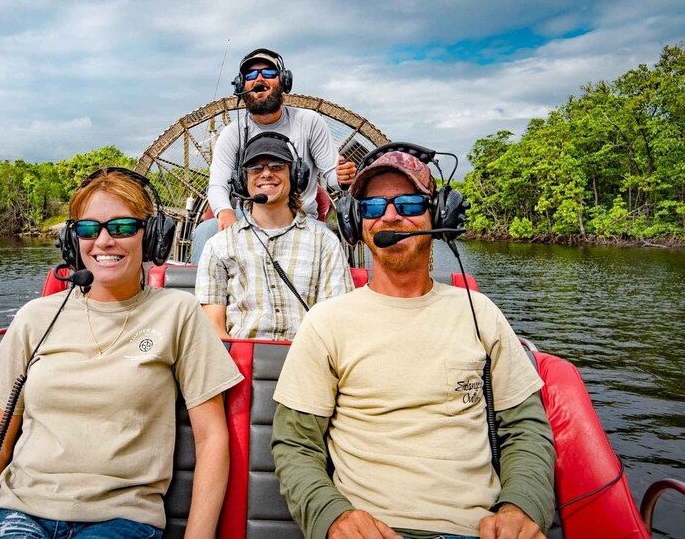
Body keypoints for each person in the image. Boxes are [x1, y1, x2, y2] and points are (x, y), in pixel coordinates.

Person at [271, 150, 556, 538]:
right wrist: (334, 517)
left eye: (408, 203)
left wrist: (521, 506)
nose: (389, 216)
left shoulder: (479, 312)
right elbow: (295, 445)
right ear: (357, 222)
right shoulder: (326, 323)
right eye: (372, 206)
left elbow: (525, 428)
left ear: (438, 216)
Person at [0, 168, 243, 539]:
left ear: (152, 237)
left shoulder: (179, 313)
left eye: (121, 228)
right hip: (18, 512)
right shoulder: (36, 317)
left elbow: (211, 438)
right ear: (73, 243)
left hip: (122, 518)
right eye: (89, 230)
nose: (103, 241)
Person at [190, 47, 358, 263]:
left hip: (301, 219)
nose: (259, 78)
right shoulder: (232, 134)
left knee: (329, 238)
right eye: (250, 75)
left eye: (268, 73)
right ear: (242, 86)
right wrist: (224, 211)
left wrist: (342, 177)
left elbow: (332, 175)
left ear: (284, 81)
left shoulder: (309, 122)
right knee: (205, 231)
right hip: (249, 219)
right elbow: (217, 184)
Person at [196, 132, 354, 340]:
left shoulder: (324, 242)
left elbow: (335, 322)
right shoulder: (219, 245)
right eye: (255, 168)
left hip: (307, 359)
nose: (266, 174)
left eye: (277, 166)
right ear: (242, 181)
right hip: (241, 363)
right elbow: (213, 328)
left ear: (297, 176)